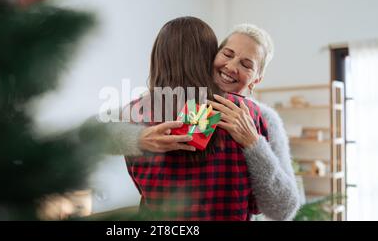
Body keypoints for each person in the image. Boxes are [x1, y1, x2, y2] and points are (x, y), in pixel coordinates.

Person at [85, 23, 299, 220]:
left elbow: (284, 209)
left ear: (256, 79)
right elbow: (89, 132)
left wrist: (254, 143)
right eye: (227, 54)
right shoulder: (155, 107)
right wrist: (138, 138)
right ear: (210, 56)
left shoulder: (262, 119)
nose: (232, 67)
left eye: (246, 64)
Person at [123, 17, 269, 221]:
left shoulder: (132, 114)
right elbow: (258, 204)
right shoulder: (245, 113)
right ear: (209, 56)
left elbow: (141, 187)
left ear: (157, 57)